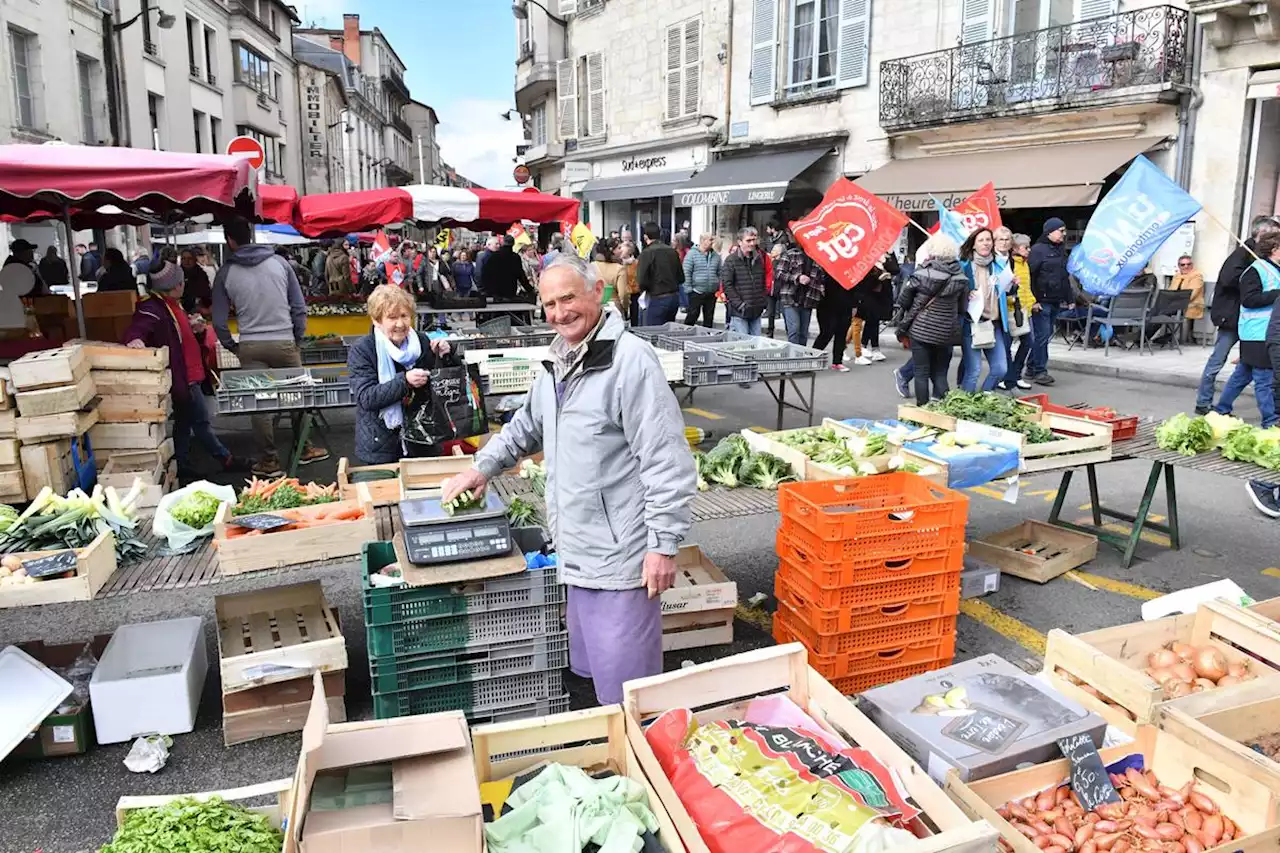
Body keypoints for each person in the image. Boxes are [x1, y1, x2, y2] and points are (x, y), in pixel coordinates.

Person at [440, 253, 695, 705]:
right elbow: (525, 426)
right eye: (550, 304)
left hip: (623, 557)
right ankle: (607, 753)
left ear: (598, 291)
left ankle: (639, 762)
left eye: (569, 298)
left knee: (628, 691)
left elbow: (666, 460)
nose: (560, 313)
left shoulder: (630, 362)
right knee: (592, 673)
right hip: (576, 549)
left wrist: (662, 545)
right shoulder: (558, 360)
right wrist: (481, 467)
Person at [212, 216, 327, 477]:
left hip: (251, 344)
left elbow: (218, 321)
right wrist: (295, 339)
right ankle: (304, 447)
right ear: (250, 235)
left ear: (229, 240)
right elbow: (298, 308)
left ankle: (269, 460)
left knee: (259, 403)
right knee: (298, 394)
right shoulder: (280, 263)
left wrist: (233, 346)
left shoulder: (225, 272)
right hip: (284, 340)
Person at [123, 261, 238, 478]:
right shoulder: (153, 308)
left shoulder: (173, 305)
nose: (184, 284)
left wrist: (195, 330)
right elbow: (138, 327)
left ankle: (182, 463)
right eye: (181, 281)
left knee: (184, 422)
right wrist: (135, 339)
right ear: (175, 285)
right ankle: (224, 458)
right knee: (200, 421)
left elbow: (177, 335)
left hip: (190, 374)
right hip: (184, 376)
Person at [348, 285, 455, 464]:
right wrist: (404, 381)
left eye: (404, 316)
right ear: (377, 320)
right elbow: (366, 397)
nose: (400, 324)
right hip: (381, 446)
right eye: (392, 317)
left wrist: (446, 355)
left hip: (424, 440)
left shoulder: (422, 341)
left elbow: (441, 383)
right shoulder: (363, 350)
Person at [1198, 216, 1280, 414]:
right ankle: (1204, 403)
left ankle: (1221, 409)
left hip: (1258, 328)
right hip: (1246, 325)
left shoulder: (1268, 266)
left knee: (1243, 373)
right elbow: (1243, 293)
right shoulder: (1248, 261)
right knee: (1257, 376)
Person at [893, 236, 967, 405]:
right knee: (940, 372)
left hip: (921, 329)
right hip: (947, 331)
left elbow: (903, 300)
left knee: (921, 372)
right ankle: (942, 408)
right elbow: (963, 307)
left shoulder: (921, 273)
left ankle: (923, 410)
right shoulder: (961, 277)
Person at [957, 227, 1009, 392]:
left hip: (994, 323)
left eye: (988, 240)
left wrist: (1011, 285)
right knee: (974, 370)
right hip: (971, 323)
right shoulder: (964, 265)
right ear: (973, 245)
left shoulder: (998, 265)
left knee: (1000, 368)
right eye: (981, 240)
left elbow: (1005, 291)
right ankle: (965, 403)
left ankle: (985, 395)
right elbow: (953, 291)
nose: (986, 243)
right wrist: (966, 293)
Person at [1026, 217, 1071, 386]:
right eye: (1061, 230)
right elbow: (1029, 276)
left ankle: (1031, 367)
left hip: (1055, 300)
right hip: (1041, 301)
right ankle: (1040, 371)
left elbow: (1064, 276)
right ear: (1050, 231)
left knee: (1044, 336)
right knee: (1042, 335)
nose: (1064, 234)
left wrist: (1069, 298)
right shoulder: (1038, 250)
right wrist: (1034, 300)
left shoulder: (1060, 250)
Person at [995, 229, 1036, 391]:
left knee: (1027, 342)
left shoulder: (1025, 264)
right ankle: (1009, 376)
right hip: (1012, 310)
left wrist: (1033, 301)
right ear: (1016, 248)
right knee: (1010, 344)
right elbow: (1007, 288)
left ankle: (1014, 374)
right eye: (1025, 247)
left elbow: (1026, 287)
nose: (1028, 250)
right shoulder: (1010, 264)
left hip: (1025, 309)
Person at [773, 241, 827, 346]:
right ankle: (793, 358)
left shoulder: (818, 258)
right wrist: (797, 278)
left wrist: (820, 289)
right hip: (790, 298)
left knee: (803, 333)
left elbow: (822, 278)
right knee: (794, 330)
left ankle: (801, 357)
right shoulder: (791, 254)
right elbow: (779, 273)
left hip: (808, 300)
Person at [720, 226, 768, 339]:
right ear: (739, 242)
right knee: (742, 346)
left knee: (755, 345)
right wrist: (740, 305)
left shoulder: (759, 259)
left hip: (756, 309)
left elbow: (761, 281)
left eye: (754, 240)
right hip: (740, 312)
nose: (752, 243)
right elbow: (727, 285)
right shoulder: (731, 260)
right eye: (748, 240)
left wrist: (762, 302)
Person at [850, 253, 898, 365]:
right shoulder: (867, 253)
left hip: (881, 293)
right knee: (859, 322)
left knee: (873, 319)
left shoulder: (888, 255)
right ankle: (860, 347)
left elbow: (896, 269)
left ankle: (868, 346)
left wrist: (885, 261)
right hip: (867, 293)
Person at [813, 255, 857, 372]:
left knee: (841, 333)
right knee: (827, 332)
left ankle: (837, 361)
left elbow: (855, 287)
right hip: (827, 304)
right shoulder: (825, 264)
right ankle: (813, 358)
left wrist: (854, 305)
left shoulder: (850, 268)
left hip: (846, 304)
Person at [636, 221, 684, 325]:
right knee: (667, 335)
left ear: (645, 237)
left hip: (656, 298)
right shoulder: (672, 252)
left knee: (652, 334)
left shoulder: (647, 253)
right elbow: (681, 278)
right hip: (673, 298)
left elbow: (641, 280)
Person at [682, 233, 721, 328]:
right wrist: (689, 289)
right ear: (703, 241)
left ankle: (707, 336)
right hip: (696, 291)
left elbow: (720, 272)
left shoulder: (716, 256)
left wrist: (718, 286)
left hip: (711, 292)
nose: (712, 242)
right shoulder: (691, 254)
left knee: (709, 317)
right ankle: (686, 333)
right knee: (693, 315)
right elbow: (686, 272)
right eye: (710, 240)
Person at [1163, 255, 1205, 344]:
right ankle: (1144, 336)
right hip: (1174, 304)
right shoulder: (1177, 276)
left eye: (1188, 264)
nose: (1186, 267)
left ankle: (1144, 337)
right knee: (1158, 311)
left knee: (1163, 311)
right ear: (1179, 266)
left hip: (1190, 304)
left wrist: (1176, 301)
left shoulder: (1197, 276)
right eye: (1183, 265)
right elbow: (1171, 291)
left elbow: (1192, 294)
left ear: (1192, 265)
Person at [480, 235, 532, 303]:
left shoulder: (494, 256)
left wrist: (486, 290)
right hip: (510, 291)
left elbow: (485, 274)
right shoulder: (515, 257)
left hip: (496, 293)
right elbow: (521, 275)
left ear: (502, 243)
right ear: (513, 244)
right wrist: (529, 289)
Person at [594, 240, 628, 315]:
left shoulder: (591, 267)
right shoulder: (619, 269)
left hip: (596, 308)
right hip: (615, 309)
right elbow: (623, 295)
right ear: (612, 251)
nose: (621, 250)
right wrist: (626, 308)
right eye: (619, 248)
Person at [619, 241, 641, 326]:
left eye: (623, 249)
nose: (621, 252)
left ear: (630, 251)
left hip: (634, 292)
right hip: (623, 292)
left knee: (634, 316)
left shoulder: (636, 263)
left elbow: (637, 277)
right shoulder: (619, 263)